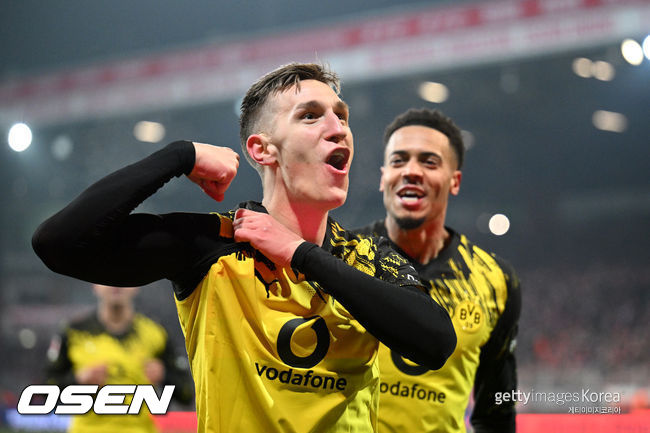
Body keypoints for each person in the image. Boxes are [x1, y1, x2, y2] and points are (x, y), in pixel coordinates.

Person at [32, 63, 456, 433]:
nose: (338, 127)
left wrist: (298, 253)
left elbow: (435, 342)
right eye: (310, 116)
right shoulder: (212, 245)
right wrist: (178, 156)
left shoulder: (369, 255)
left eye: (341, 116)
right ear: (261, 149)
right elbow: (57, 243)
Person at [354, 108, 521, 433]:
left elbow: (497, 413)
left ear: (454, 181)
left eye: (429, 162)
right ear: (383, 177)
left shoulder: (497, 281)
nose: (410, 171)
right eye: (398, 161)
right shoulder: (343, 258)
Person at [46, 284, 193, 433]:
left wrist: (165, 376)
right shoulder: (73, 332)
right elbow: (47, 391)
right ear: (94, 285)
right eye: (107, 277)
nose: (115, 285)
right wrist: (78, 381)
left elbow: (187, 394)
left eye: (123, 276)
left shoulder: (156, 333)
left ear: (136, 285)